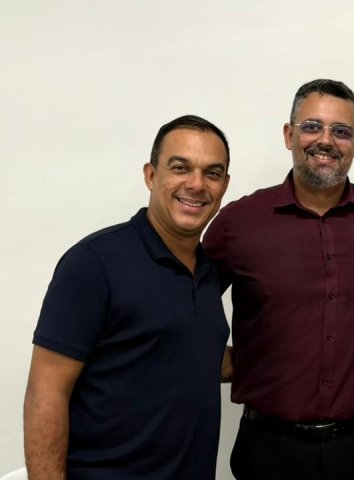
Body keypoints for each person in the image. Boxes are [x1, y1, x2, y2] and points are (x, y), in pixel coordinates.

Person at [203, 79, 354, 480]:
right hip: (268, 450)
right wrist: (215, 358)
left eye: (341, 131)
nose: (325, 140)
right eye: (312, 126)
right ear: (289, 134)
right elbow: (183, 307)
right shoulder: (238, 223)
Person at [23, 115, 231, 479]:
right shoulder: (94, 263)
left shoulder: (210, 271)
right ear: (151, 175)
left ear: (224, 185)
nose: (196, 184)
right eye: (180, 168)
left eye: (212, 173)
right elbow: (46, 392)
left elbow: (186, 354)